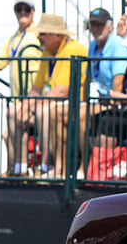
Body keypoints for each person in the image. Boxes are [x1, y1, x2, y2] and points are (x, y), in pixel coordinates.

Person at [28, 14, 88, 178]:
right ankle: (19, 169)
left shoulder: (73, 49)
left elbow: (62, 91)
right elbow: (36, 88)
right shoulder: (47, 51)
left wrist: (35, 104)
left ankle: (48, 166)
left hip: (75, 104)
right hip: (53, 103)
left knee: (47, 111)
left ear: (58, 35)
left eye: (43, 33)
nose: (38, 37)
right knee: (14, 111)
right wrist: (28, 104)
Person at [86, 8, 127, 98]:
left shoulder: (118, 45)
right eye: (93, 25)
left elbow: (118, 82)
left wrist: (113, 105)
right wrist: (84, 102)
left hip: (112, 103)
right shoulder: (92, 44)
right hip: (96, 99)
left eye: (100, 25)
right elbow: (87, 78)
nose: (95, 28)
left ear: (110, 26)